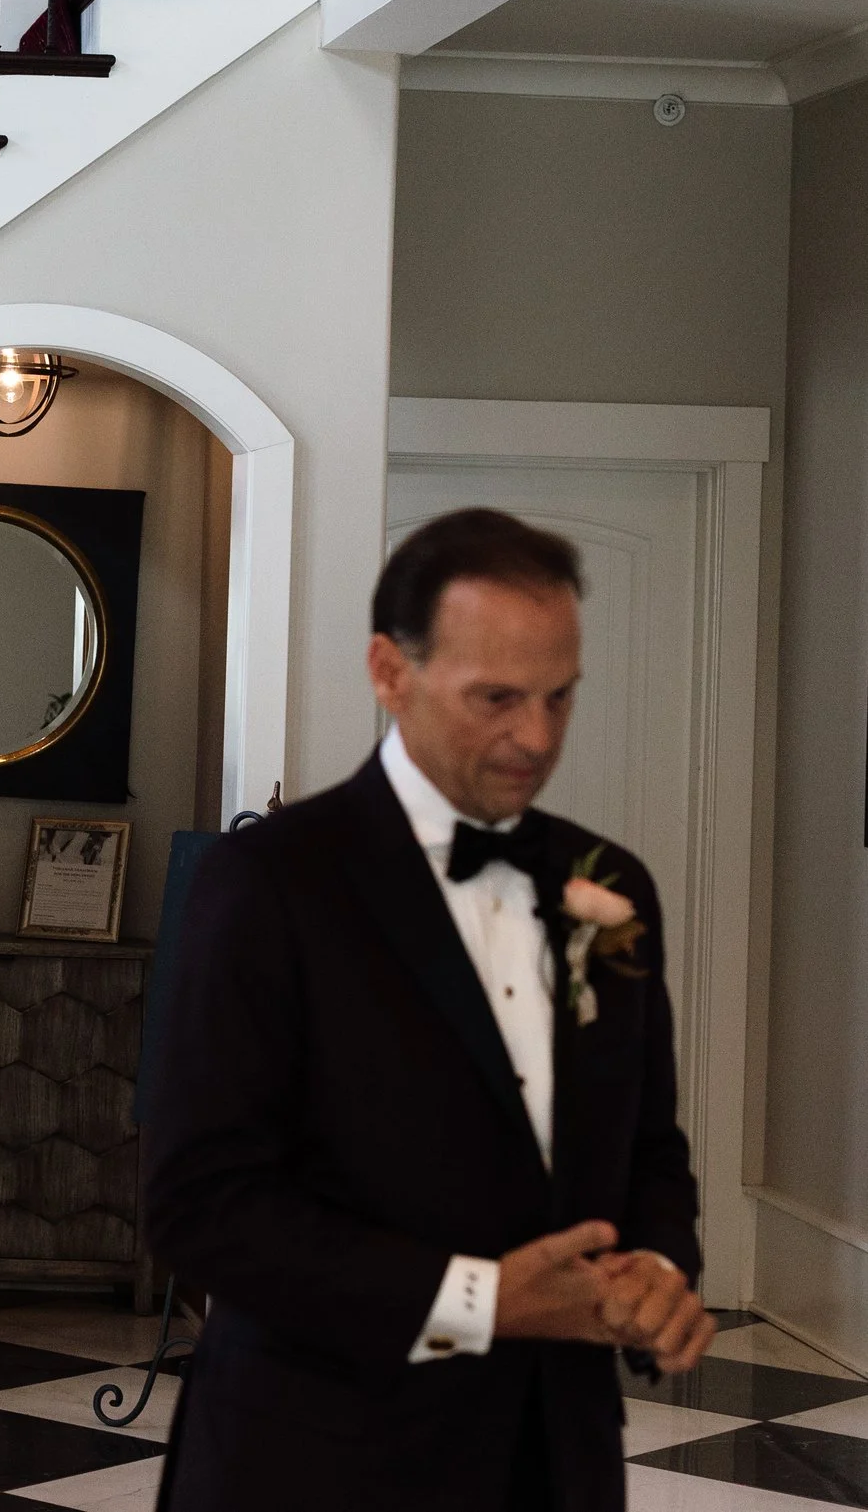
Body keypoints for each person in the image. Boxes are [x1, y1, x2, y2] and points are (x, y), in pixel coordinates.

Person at [144, 508, 709, 1512]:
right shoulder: (266, 883)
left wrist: (656, 1271)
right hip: (318, 1462)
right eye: (495, 698)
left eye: (558, 698)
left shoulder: (608, 883)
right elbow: (203, 1209)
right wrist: (483, 1304)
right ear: (389, 672)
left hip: (556, 1460)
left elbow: (648, 1147)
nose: (534, 737)